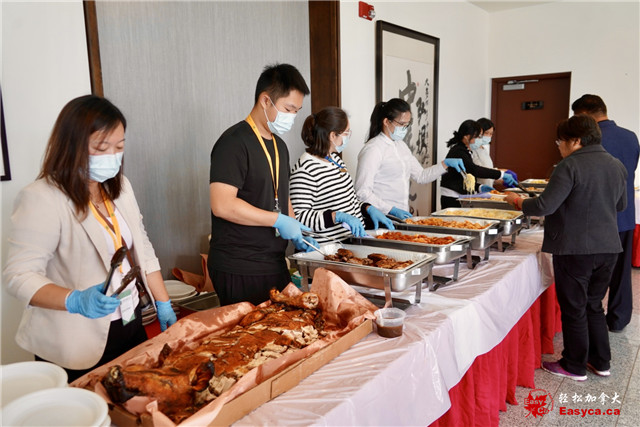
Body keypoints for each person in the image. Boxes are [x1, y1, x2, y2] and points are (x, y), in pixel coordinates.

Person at [3, 95, 176, 383]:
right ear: (71, 146)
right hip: (75, 337)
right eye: (101, 148)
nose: (112, 156)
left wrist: (163, 301)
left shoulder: (120, 188)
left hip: (129, 321)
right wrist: (74, 300)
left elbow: (142, 246)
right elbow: (18, 276)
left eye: (119, 147)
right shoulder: (42, 197)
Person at [505, 115, 627, 380]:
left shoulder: (569, 165)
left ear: (576, 141)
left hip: (575, 249)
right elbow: (620, 205)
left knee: (574, 307)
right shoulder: (616, 164)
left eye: (560, 141)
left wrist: (516, 201)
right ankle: (600, 361)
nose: (559, 146)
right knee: (593, 304)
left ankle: (574, 365)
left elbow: (544, 206)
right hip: (608, 248)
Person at [208, 64, 317, 307]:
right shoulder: (233, 143)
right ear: (266, 100)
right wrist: (277, 220)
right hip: (240, 264)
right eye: (288, 109)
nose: (292, 117)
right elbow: (222, 205)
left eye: (297, 111)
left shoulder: (280, 146)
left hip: (274, 261)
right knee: (253, 329)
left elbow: (282, 195)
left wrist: (297, 230)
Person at [571, 94, 639, 333]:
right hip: (626, 215)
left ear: (585, 114)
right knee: (622, 272)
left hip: (598, 218)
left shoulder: (591, 139)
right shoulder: (630, 136)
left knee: (592, 276)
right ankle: (619, 319)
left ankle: (590, 321)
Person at [290, 107, 394, 243]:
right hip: (328, 247)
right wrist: (336, 216)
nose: (348, 137)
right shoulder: (306, 169)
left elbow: (346, 201)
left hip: (350, 242)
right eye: (346, 133)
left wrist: (367, 208)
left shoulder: (335, 160)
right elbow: (298, 218)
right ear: (332, 136)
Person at [354, 98, 465, 219]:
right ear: (386, 121)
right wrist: (390, 209)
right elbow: (362, 192)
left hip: (401, 215)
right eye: (402, 124)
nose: (405, 128)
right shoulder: (373, 149)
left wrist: (445, 164)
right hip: (381, 216)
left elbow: (421, 176)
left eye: (407, 124)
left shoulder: (401, 146)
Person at [440, 120, 518, 209]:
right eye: (478, 137)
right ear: (466, 137)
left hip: (460, 193)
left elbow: (465, 176)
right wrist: (501, 174)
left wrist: (480, 187)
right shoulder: (459, 151)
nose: (479, 140)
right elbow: (474, 170)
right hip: (452, 196)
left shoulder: (466, 150)